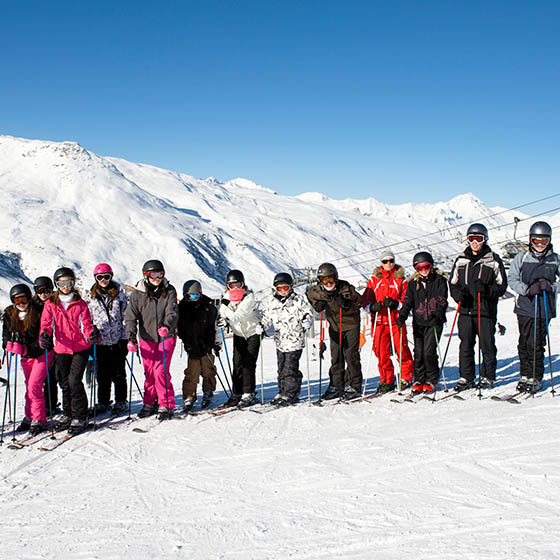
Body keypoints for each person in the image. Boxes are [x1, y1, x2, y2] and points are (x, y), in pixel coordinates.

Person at [449, 223, 507, 391]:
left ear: (485, 239)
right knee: (465, 344)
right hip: (466, 309)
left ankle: (488, 376)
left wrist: (487, 290)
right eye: (471, 238)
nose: (474, 242)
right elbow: (452, 283)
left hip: (485, 310)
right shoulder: (461, 260)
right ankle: (466, 377)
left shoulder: (493, 260)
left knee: (487, 344)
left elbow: (502, 286)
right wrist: (457, 294)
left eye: (478, 239)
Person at [39, 267, 94, 434]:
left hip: (80, 347)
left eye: (69, 282)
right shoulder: (51, 304)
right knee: (64, 383)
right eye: (61, 283)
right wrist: (45, 335)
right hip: (61, 347)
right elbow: (46, 324)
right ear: (57, 284)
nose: (65, 286)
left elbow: (86, 324)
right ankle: (68, 414)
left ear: (73, 283)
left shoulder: (80, 303)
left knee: (74, 381)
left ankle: (80, 415)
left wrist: (91, 334)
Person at [508, 221, 560, 393]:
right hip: (525, 306)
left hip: (544, 307)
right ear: (530, 240)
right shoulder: (522, 257)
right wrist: (527, 289)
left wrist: (551, 287)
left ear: (549, 241)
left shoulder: (555, 259)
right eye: (536, 241)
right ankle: (525, 374)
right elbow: (513, 279)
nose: (539, 245)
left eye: (543, 242)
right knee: (524, 342)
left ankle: (535, 376)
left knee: (537, 343)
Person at [124, 259, 178, 420]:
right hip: (147, 337)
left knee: (160, 371)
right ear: (146, 275)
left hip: (166, 336)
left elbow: (172, 311)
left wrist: (167, 326)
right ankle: (150, 401)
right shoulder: (137, 294)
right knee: (149, 372)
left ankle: (166, 403)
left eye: (160, 274)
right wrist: (131, 338)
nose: (157, 277)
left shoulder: (169, 290)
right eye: (153, 274)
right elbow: (131, 317)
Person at [307, 263, 363, 400]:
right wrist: (317, 306)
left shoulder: (346, 289)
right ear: (320, 281)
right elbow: (309, 295)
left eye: (331, 279)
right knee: (336, 356)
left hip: (351, 325)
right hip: (334, 328)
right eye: (325, 280)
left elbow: (360, 303)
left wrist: (347, 305)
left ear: (336, 278)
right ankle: (336, 385)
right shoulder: (318, 291)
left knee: (351, 355)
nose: (329, 283)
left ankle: (353, 385)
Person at [362, 251, 414, 393]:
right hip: (379, 320)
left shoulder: (401, 280)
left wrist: (395, 304)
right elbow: (366, 299)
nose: (388, 264)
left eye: (391, 261)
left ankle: (406, 376)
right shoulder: (374, 280)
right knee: (381, 352)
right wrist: (372, 307)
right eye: (385, 261)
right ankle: (386, 379)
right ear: (381, 263)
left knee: (401, 349)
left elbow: (406, 301)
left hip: (396, 320)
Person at [259, 272, 314, 405]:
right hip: (280, 341)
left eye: (286, 288)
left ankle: (291, 394)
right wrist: (262, 325)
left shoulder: (298, 300)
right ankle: (282, 391)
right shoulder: (272, 303)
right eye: (280, 288)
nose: (283, 291)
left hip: (295, 340)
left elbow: (308, 313)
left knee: (290, 368)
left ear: (291, 287)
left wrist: (307, 320)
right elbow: (266, 318)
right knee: (281, 368)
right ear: (275, 289)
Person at [2, 284, 50, 435]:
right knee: (28, 384)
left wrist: (24, 348)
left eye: (24, 299)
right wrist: (8, 344)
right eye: (17, 301)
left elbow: (43, 340)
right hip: (25, 357)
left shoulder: (37, 313)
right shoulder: (10, 315)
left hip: (42, 354)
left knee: (34, 385)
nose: (21, 303)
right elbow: (6, 337)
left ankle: (39, 418)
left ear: (29, 298)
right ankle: (29, 416)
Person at [397, 252, 448, 394]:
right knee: (418, 352)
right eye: (419, 268)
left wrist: (437, 314)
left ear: (431, 266)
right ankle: (419, 378)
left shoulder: (439, 280)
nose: (423, 270)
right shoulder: (413, 284)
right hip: (419, 322)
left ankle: (431, 378)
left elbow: (442, 300)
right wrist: (402, 316)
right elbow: (408, 302)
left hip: (434, 322)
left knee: (428, 352)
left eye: (426, 266)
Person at [84, 264, 128, 415]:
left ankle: (121, 401)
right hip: (100, 342)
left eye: (106, 277)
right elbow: (85, 320)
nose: (103, 280)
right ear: (95, 278)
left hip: (117, 341)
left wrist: (125, 340)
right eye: (100, 277)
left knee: (119, 373)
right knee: (102, 374)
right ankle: (103, 402)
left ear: (111, 276)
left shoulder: (120, 296)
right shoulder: (90, 297)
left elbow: (125, 318)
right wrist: (90, 335)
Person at [218, 269, 261, 407]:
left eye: (238, 285)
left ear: (243, 284)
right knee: (237, 363)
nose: (235, 288)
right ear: (227, 286)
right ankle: (237, 392)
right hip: (238, 334)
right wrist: (222, 320)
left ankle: (249, 393)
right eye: (232, 286)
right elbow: (222, 313)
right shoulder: (226, 298)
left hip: (253, 333)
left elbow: (241, 315)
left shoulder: (249, 297)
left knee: (248, 363)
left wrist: (227, 320)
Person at [177, 280, 220, 412]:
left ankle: (208, 391)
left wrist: (216, 344)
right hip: (192, 346)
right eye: (189, 296)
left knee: (208, 370)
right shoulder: (181, 309)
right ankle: (189, 397)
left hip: (207, 345)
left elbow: (216, 327)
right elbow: (180, 328)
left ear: (200, 294)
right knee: (192, 372)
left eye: (195, 296)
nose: (192, 299)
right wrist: (186, 341)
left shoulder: (208, 307)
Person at [32, 276, 59, 416]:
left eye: (47, 291)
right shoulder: (33, 307)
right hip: (40, 347)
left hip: (56, 345)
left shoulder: (56, 303)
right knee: (39, 379)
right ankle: (42, 406)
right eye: (40, 291)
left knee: (53, 376)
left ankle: (51, 405)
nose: (43, 294)